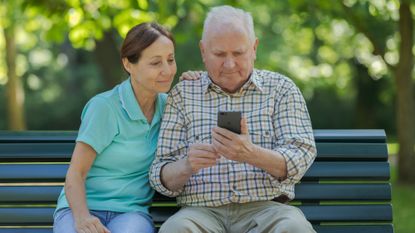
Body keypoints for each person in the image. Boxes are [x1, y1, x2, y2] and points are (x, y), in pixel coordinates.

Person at [149, 5, 317, 233]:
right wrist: (187, 165)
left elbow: (301, 157)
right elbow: (161, 175)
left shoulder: (281, 90)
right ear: (203, 51)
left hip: (268, 211)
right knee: (176, 229)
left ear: (254, 48)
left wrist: (251, 154)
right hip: (200, 213)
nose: (229, 64)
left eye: (238, 53)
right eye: (219, 54)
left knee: (294, 227)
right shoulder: (183, 94)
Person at [53, 22, 177, 233]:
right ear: (128, 64)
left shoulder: (170, 107)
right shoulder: (105, 108)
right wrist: (83, 219)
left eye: (171, 60)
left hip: (130, 214)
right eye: (156, 63)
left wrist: (196, 82)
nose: (167, 70)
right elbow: (76, 173)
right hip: (82, 208)